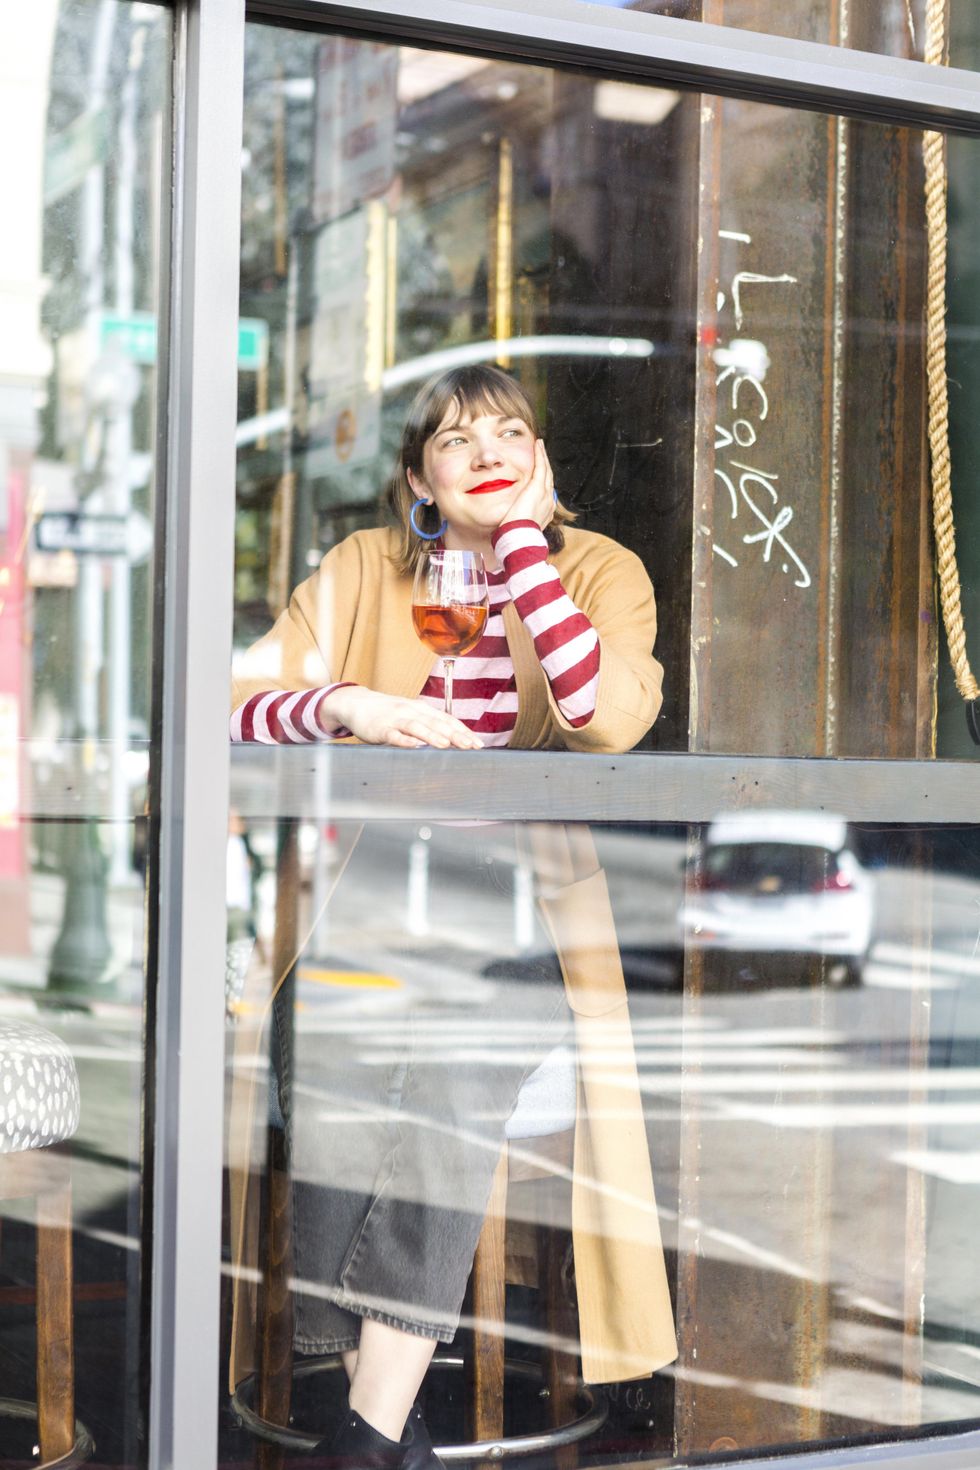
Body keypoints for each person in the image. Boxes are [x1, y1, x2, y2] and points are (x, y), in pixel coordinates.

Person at [229, 365, 674, 1469]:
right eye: (455, 439)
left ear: (541, 462)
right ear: (417, 478)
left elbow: (604, 719)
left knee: (455, 1073)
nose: (484, 450)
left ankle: (368, 1432)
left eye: (509, 432)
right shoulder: (364, 570)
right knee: (334, 1053)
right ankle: (378, 1414)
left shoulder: (598, 571)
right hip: (376, 890)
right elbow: (235, 701)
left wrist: (522, 547)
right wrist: (346, 705)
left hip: (524, 903)